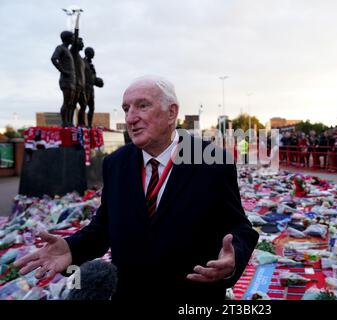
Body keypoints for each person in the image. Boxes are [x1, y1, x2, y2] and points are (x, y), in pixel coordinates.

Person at [15, 76, 259, 301]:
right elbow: (105, 227)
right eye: (126, 108)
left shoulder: (212, 160)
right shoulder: (116, 163)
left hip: (192, 296)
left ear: (171, 112)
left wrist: (234, 257)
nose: (131, 117)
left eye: (142, 106)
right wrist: (71, 247)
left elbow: (239, 227)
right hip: (131, 294)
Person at [51, 31, 76, 127]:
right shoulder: (60, 48)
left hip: (72, 80)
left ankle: (69, 122)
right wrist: (63, 71)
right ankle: (64, 122)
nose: (73, 39)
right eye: (72, 37)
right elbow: (54, 59)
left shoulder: (68, 51)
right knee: (66, 102)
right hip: (66, 80)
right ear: (68, 38)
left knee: (71, 103)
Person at [83, 47, 104, 127]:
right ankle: (82, 123)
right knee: (83, 106)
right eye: (92, 52)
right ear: (88, 53)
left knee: (92, 107)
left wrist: (98, 81)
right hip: (84, 88)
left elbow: (93, 78)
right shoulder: (83, 62)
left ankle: (89, 125)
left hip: (91, 88)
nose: (93, 54)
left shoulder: (92, 66)